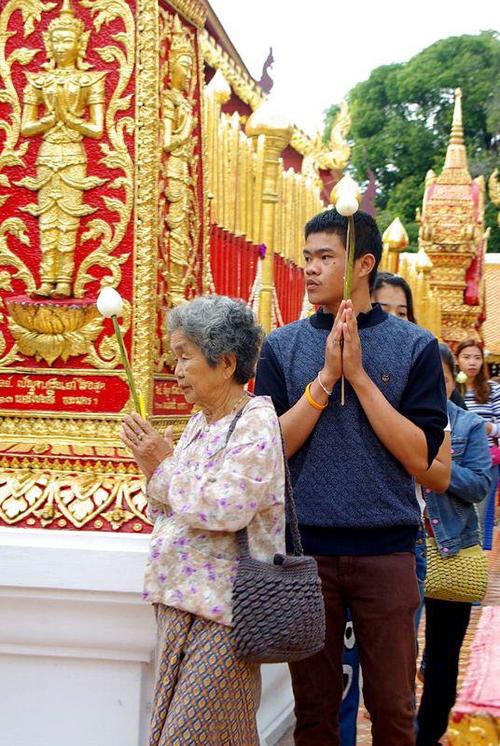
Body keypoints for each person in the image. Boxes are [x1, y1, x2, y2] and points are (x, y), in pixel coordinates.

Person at [255, 208, 448, 746]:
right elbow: (268, 449)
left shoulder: (416, 347)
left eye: (325, 257)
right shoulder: (283, 345)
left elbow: (420, 455)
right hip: (306, 552)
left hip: (386, 550)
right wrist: (324, 379)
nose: (310, 269)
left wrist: (360, 378)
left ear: (363, 264)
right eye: (307, 258)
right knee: (313, 713)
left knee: (392, 710)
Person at [121, 295, 286, 746]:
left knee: (189, 736)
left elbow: (225, 508)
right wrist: (151, 464)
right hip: (180, 603)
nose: (176, 369)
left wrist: (164, 464)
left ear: (227, 362)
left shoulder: (255, 422)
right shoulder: (200, 421)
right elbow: (169, 506)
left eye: (184, 356)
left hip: (224, 614)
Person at [416, 344, 492, 746]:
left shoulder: (466, 426)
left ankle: (427, 735)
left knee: (443, 661)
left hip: (451, 551)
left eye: (441, 378)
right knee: (394, 656)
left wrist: (436, 473)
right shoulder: (394, 420)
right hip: (400, 550)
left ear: (452, 379)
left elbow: (480, 483)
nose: (433, 385)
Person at [456, 338, 500, 549]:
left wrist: (485, 427)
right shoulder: (452, 389)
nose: (472, 362)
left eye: (477, 357)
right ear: (457, 361)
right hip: (455, 459)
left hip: (486, 460)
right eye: (466, 357)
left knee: (481, 514)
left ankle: (479, 563)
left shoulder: (492, 389)